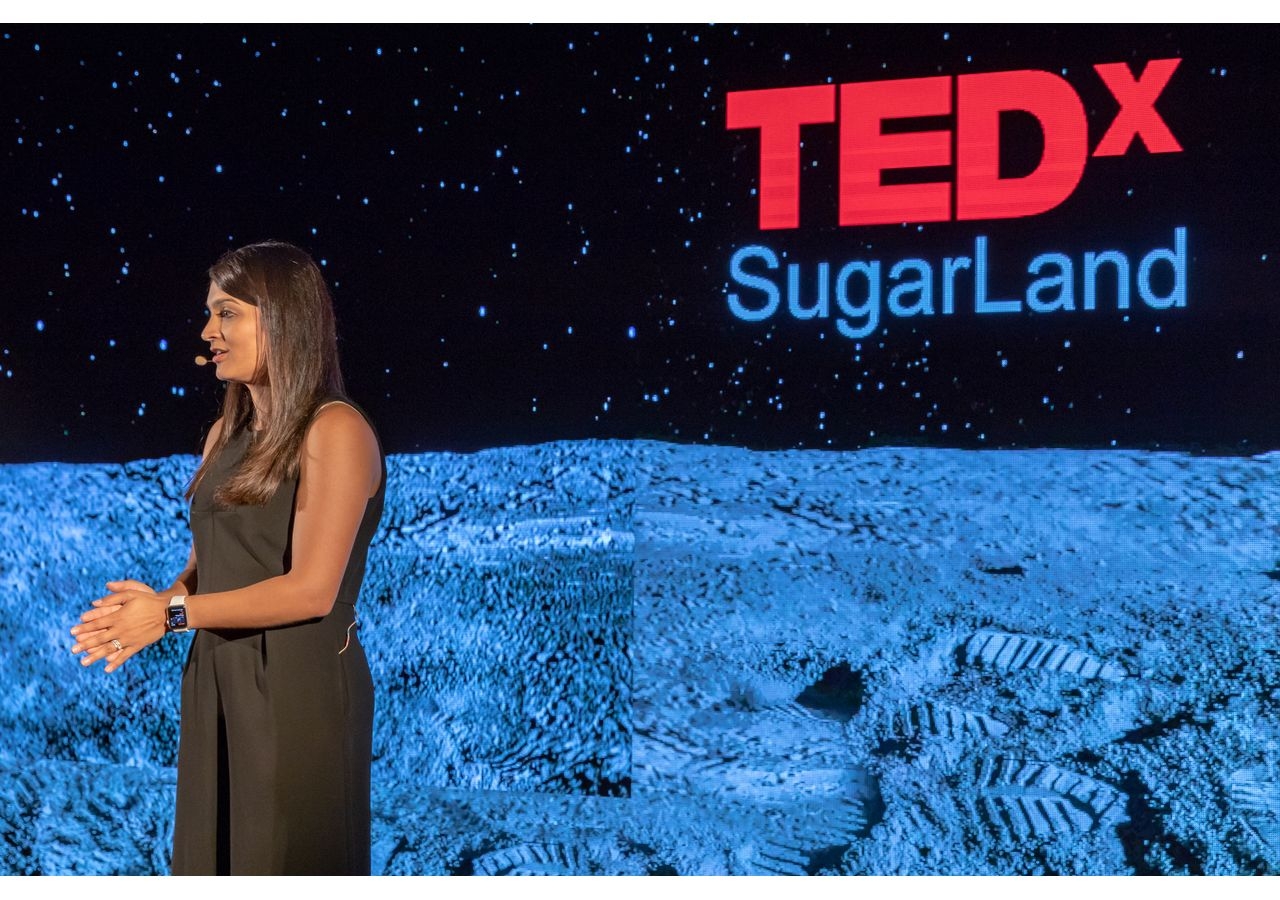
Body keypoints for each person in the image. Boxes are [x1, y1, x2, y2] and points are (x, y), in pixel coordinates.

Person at [69, 241, 385, 875]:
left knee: (280, 860)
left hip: (298, 684)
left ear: (282, 318)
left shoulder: (336, 430)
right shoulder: (225, 435)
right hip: (218, 670)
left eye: (227, 313)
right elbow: (213, 555)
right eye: (211, 314)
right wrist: (163, 598)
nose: (208, 331)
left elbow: (312, 590)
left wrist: (175, 615)